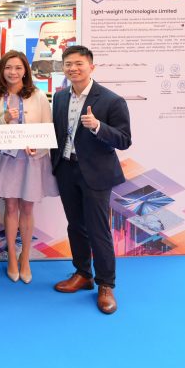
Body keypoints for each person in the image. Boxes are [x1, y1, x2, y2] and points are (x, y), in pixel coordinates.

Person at [50, 45, 131, 315]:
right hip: (66, 169)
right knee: (75, 226)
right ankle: (82, 273)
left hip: (96, 173)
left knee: (98, 229)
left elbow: (124, 140)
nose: (73, 68)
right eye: (68, 64)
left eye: (79, 64)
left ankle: (106, 284)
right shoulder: (60, 99)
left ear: (91, 66)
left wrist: (98, 126)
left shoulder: (111, 100)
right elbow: (57, 134)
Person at [0, 50, 59, 284]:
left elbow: (48, 127)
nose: (13, 72)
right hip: (6, 158)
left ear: (25, 71)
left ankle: (26, 257)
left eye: (18, 68)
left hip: (32, 159)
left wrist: (37, 147)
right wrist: (5, 120)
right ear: (2, 70)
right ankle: (11, 257)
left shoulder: (38, 95)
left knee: (27, 209)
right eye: (8, 67)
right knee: (10, 207)